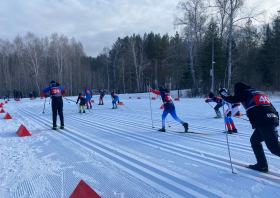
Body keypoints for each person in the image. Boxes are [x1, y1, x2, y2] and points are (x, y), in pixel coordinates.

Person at [219, 82, 280, 172]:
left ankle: (262, 165)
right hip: (270, 119)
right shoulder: (257, 93)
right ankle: (262, 165)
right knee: (255, 141)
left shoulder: (246, 93)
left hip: (264, 121)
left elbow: (230, 99)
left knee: (274, 147)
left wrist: (222, 92)